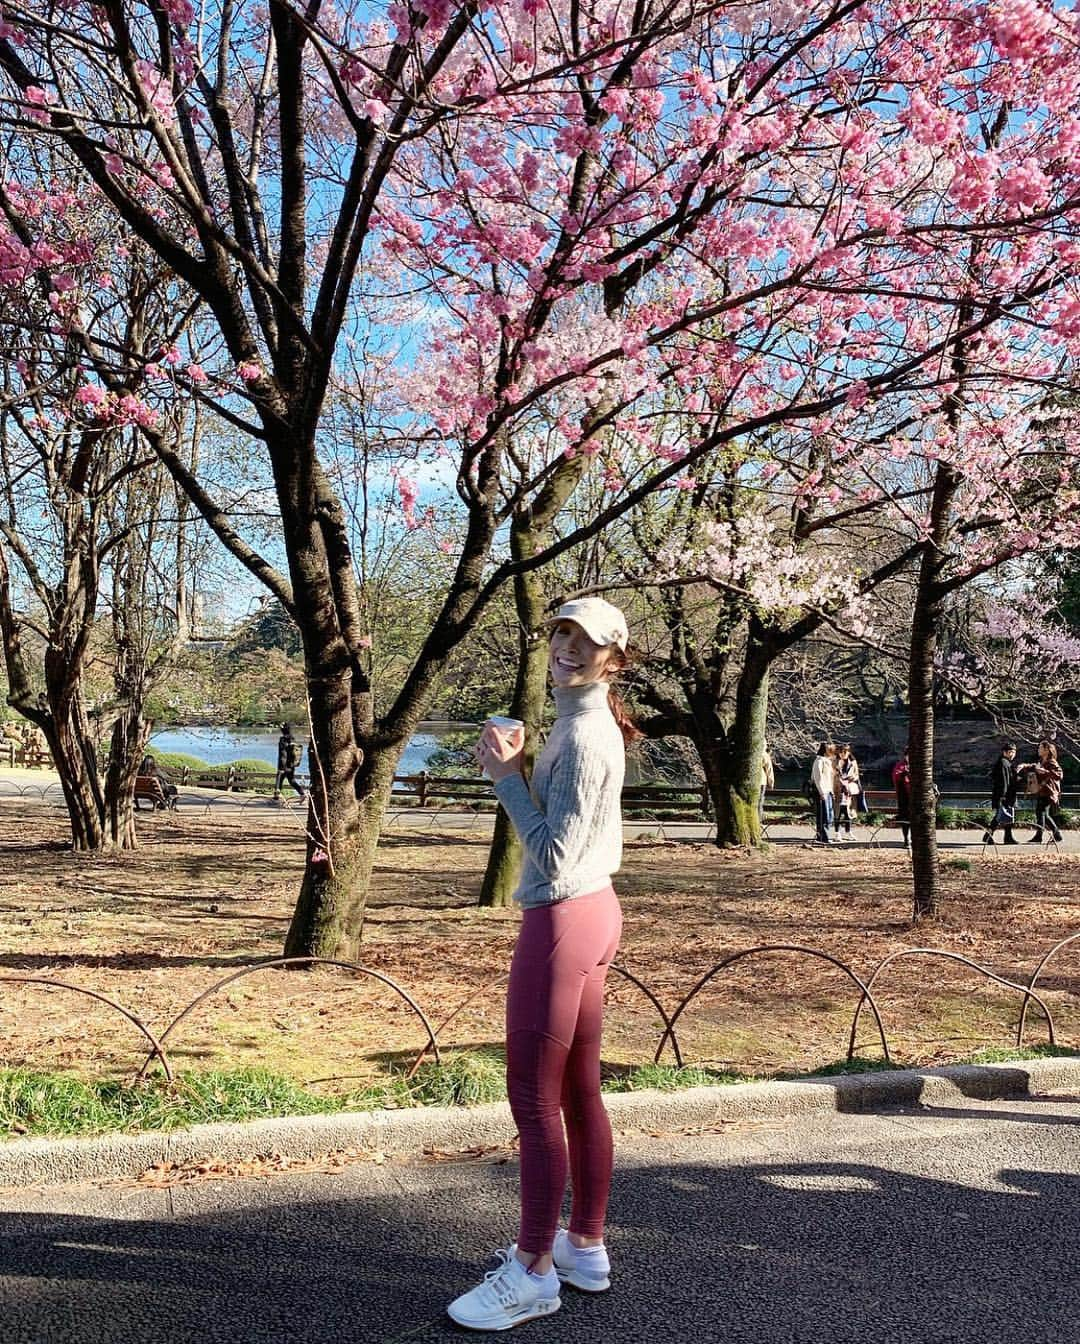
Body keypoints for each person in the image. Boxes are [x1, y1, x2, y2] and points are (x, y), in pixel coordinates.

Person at [447, 596, 633, 1332]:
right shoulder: (581, 722)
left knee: (533, 1096)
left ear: (613, 660)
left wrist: (504, 777)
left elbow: (551, 853)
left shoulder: (587, 738)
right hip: (593, 910)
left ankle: (531, 1272)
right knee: (579, 1090)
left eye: (583, 641)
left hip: (562, 916)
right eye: (559, 633)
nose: (565, 647)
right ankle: (582, 1245)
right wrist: (523, 767)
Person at [1018, 739, 1064, 844]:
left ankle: (1055, 835)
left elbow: (1059, 775)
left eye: (1040, 748)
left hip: (1048, 792)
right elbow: (1035, 766)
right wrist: (1024, 765)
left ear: (1046, 750)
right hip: (1043, 791)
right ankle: (1043, 836)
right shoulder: (1042, 761)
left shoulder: (1051, 761)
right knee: (1041, 814)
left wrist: (1045, 772)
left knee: (1042, 814)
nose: (1038, 749)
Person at [983, 743, 1019, 845]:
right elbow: (1003, 781)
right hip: (1005, 795)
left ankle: (1008, 837)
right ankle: (988, 836)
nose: (1012, 754)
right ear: (1004, 752)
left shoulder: (1006, 763)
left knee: (1007, 816)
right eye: (1010, 752)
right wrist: (1002, 796)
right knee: (999, 817)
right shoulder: (1003, 763)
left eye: (1014, 752)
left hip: (1008, 795)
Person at [833, 744, 861, 840]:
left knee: (848, 812)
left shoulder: (853, 762)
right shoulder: (834, 761)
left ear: (849, 752)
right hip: (838, 790)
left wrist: (852, 778)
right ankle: (837, 833)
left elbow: (857, 775)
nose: (843, 754)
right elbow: (831, 775)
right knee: (838, 812)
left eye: (845, 751)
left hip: (849, 791)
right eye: (841, 751)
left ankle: (848, 832)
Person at [810, 742, 835, 843]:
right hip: (821, 791)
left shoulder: (827, 761)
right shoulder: (819, 761)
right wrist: (821, 792)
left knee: (829, 814)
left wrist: (831, 790)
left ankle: (824, 835)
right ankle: (823, 836)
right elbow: (817, 778)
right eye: (830, 750)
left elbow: (829, 779)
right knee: (822, 815)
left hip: (827, 791)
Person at [274, 723, 305, 800]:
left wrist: (281, 766)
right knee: (291, 780)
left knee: (279, 778)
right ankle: (302, 793)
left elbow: (283, 754)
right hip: (291, 765)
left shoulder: (282, 739)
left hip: (283, 764)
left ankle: (277, 794)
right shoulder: (292, 739)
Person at [893, 747, 912, 850]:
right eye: (909, 755)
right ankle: (906, 839)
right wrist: (905, 774)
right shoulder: (900, 766)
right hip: (904, 798)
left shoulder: (920, 766)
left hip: (916, 798)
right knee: (905, 819)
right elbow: (896, 777)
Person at [760, 742, 775, 825]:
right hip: (761, 781)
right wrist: (771, 783)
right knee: (759, 802)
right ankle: (758, 821)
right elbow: (769, 770)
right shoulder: (764, 755)